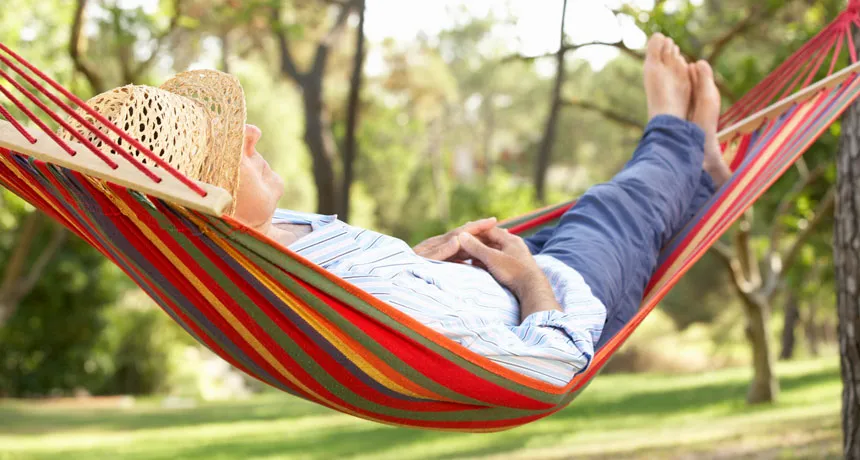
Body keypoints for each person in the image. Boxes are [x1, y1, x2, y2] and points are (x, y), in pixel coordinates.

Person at [67, 34, 731, 386]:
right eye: (226, 148)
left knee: (613, 211)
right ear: (203, 201)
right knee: (615, 210)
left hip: (488, 277)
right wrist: (529, 277)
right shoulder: (287, 287)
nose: (253, 134)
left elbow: (383, 301)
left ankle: (701, 175)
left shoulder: (283, 251)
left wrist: (423, 258)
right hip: (559, 302)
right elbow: (547, 368)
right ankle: (675, 132)